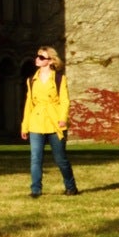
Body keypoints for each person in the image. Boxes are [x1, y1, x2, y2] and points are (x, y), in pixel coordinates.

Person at [22, 45, 79, 196]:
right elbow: (29, 104)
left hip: (55, 122)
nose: (37, 59)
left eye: (41, 57)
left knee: (61, 159)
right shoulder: (31, 80)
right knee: (35, 158)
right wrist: (24, 126)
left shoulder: (60, 79)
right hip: (36, 122)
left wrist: (63, 119)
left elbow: (65, 101)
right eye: (37, 56)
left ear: (50, 60)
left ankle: (71, 187)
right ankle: (35, 190)